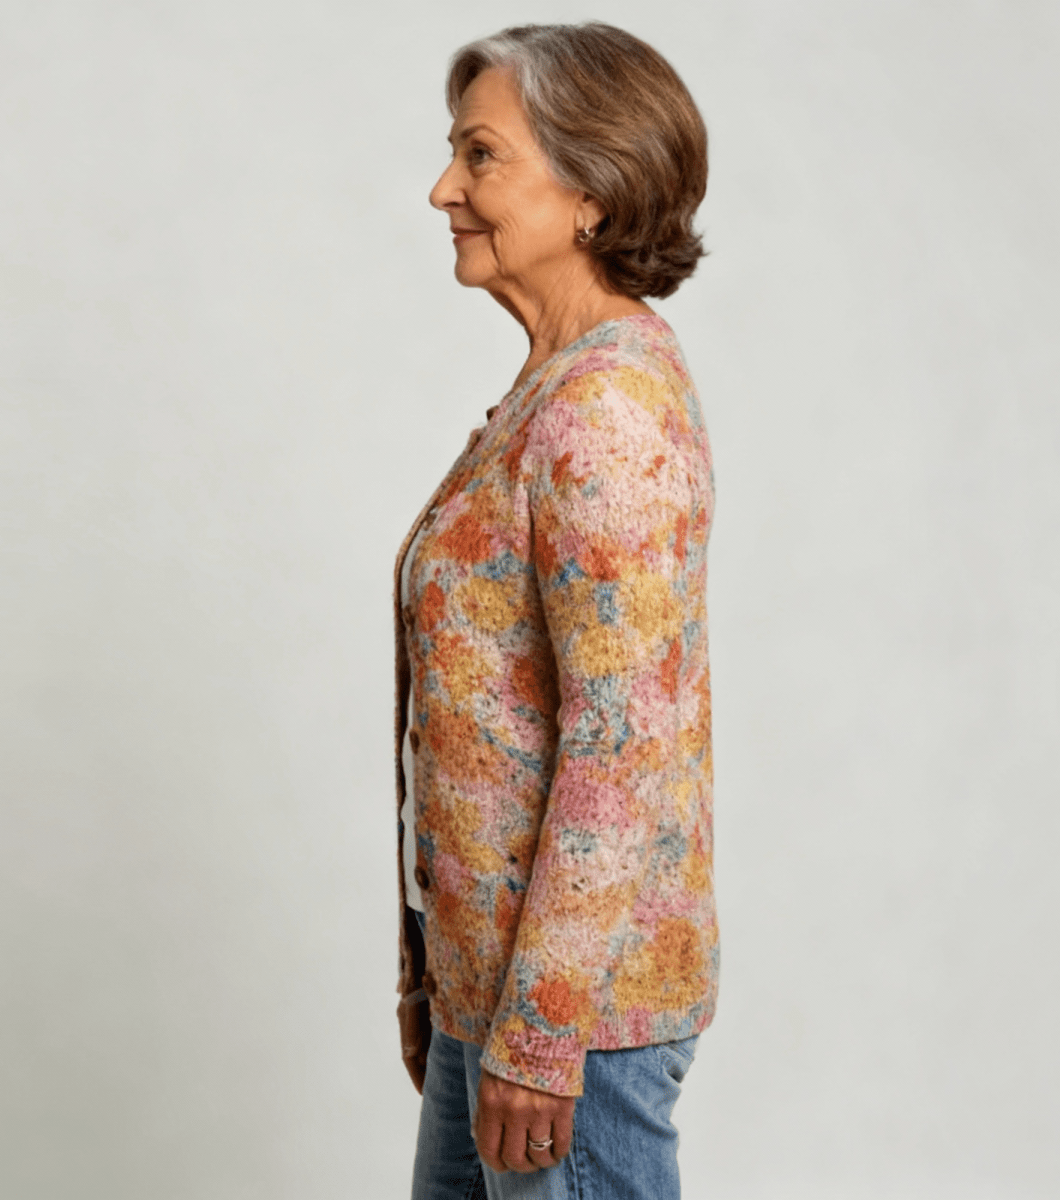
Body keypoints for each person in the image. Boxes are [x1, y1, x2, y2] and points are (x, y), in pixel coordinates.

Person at [393, 22, 718, 1200]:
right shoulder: (552, 390)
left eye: (480, 155)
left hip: (570, 1022)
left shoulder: (606, 411)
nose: (444, 189)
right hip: (499, 995)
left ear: (592, 191)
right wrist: (444, 981)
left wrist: (537, 1036)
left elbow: (621, 746)